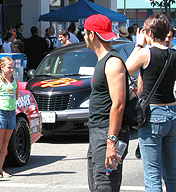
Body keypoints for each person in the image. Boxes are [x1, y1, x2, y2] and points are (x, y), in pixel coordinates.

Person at [125, 13, 176, 192]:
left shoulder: (146, 53)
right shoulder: (174, 54)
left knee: (153, 173)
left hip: (153, 115)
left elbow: (124, 70)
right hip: (172, 112)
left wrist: (139, 44)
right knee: (171, 172)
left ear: (151, 33)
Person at [83, 14, 130, 191]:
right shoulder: (103, 61)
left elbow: (118, 104)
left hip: (106, 134)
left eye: (84, 33)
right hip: (98, 133)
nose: (83, 36)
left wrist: (111, 141)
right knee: (96, 185)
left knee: (105, 186)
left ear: (92, 35)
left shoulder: (112, 63)